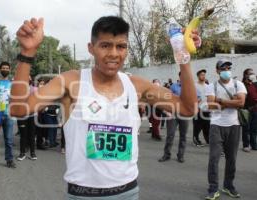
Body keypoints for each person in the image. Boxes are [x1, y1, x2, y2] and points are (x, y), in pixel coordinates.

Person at [11, 16, 199, 199]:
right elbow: (18, 109)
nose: (113, 53)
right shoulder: (71, 81)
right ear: (91, 48)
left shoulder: (136, 85)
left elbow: (187, 109)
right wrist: (28, 53)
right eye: (105, 45)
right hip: (82, 193)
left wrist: (183, 55)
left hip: (127, 191)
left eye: (121, 46)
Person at [205, 60, 247, 200]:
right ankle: (213, 188)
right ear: (217, 71)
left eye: (229, 67)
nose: (227, 70)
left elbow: (241, 103)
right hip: (216, 125)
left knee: (232, 159)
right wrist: (232, 102)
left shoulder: (238, 84)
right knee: (214, 159)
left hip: (234, 125)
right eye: (223, 68)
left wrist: (221, 101)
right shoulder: (212, 86)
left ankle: (228, 185)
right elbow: (211, 106)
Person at [159, 72, 190, 163]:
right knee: (170, 135)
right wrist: (167, 111)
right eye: (182, 76)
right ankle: (166, 154)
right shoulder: (173, 87)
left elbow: (197, 98)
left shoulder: (190, 87)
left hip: (184, 114)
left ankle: (180, 155)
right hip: (173, 113)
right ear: (179, 77)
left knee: (183, 136)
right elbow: (168, 99)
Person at [193, 69, 210, 146]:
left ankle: (208, 140)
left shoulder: (208, 86)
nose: (203, 76)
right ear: (198, 76)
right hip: (197, 109)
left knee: (207, 125)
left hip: (207, 109)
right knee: (197, 125)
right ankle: (195, 139)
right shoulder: (194, 86)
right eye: (201, 75)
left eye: (204, 75)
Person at [242, 68, 257, 152]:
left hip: (255, 109)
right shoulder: (243, 85)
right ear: (245, 75)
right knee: (246, 128)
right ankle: (246, 145)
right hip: (246, 110)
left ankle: (254, 144)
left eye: (253, 73)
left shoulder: (254, 84)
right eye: (250, 73)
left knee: (254, 128)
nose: (252, 74)